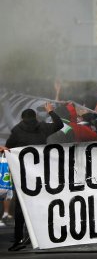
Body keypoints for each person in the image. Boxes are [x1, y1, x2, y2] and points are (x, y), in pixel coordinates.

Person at [5, 102, 63, 252]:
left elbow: (9, 147)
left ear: (22, 118)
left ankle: (18, 239)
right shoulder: (43, 126)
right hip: (41, 173)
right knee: (43, 205)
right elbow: (59, 124)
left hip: (23, 175)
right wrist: (50, 111)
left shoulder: (17, 130)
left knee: (21, 208)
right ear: (35, 116)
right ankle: (46, 236)